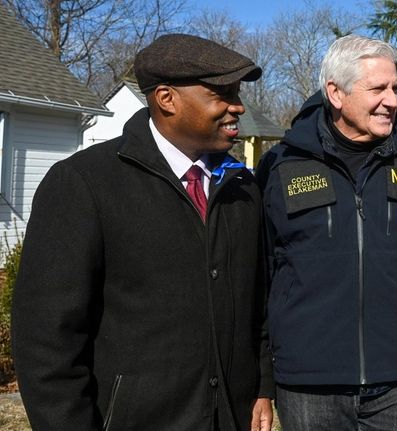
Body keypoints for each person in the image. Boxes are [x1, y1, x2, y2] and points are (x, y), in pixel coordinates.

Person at [12, 34, 274, 431]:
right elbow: (47, 341)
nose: (237, 106)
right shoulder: (84, 183)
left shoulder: (242, 187)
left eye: (236, 92)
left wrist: (262, 386)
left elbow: (260, 301)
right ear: (167, 99)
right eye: (221, 94)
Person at [255, 34, 397, 430]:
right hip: (310, 379)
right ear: (336, 93)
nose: (393, 100)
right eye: (378, 88)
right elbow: (261, 270)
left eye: (395, 88)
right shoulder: (282, 166)